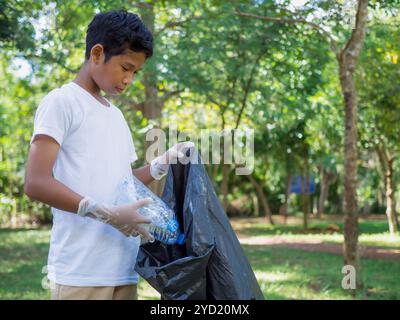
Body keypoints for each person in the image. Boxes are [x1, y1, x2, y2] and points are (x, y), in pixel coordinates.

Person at [24, 9, 192, 300]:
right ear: (98, 53)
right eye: (126, 67)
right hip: (81, 270)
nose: (129, 79)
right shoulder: (62, 102)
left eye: (135, 73)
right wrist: (104, 212)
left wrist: (162, 163)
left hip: (122, 268)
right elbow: (36, 182)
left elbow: (123, 181)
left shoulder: (116, 117)